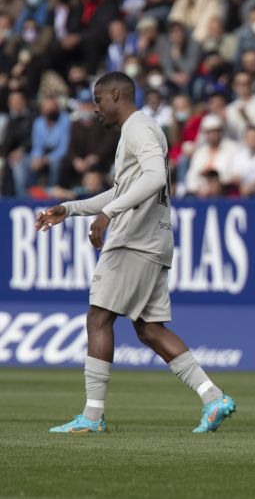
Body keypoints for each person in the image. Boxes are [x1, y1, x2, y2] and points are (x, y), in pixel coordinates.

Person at [33, 72, 235, 434]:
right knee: (149, 329)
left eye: (98, 100)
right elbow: (125, 188)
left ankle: (92, 417)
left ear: (115, 94)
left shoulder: (137, 127)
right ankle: (213, 397)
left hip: (134, 240)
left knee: (98, 318)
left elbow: (155, 176)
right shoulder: (143, 128)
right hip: (153, 240)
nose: (95, 109)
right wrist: (72, 208)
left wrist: (108, 215)